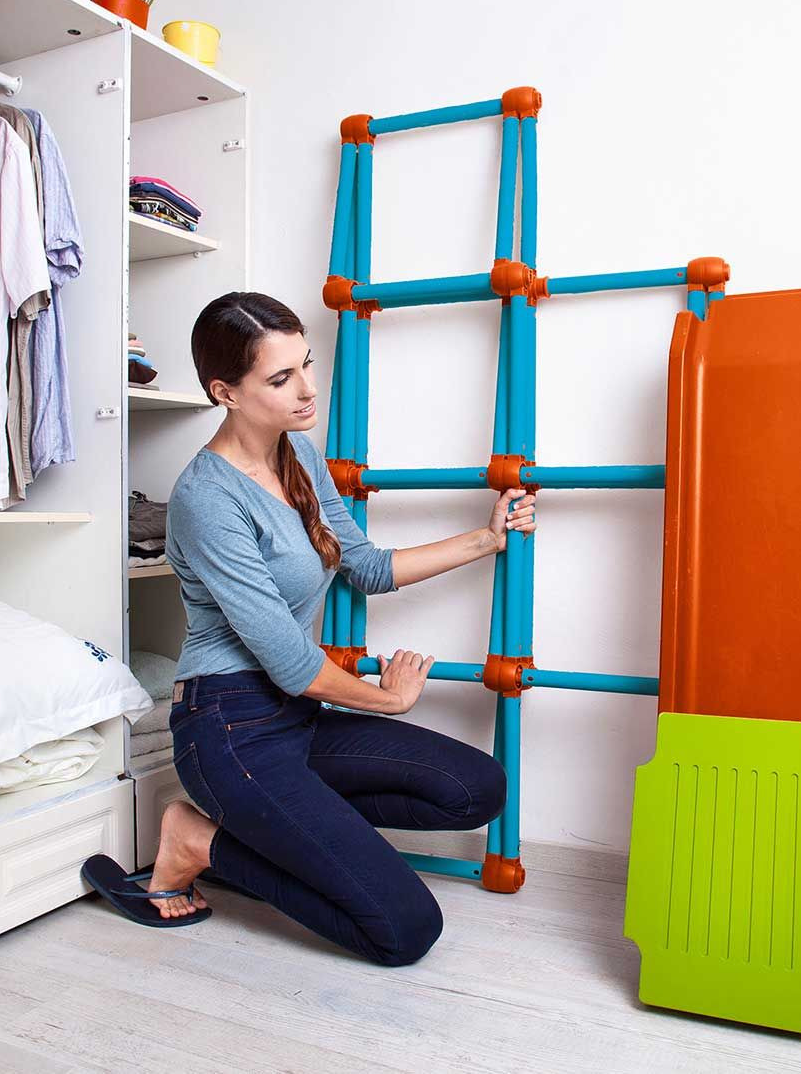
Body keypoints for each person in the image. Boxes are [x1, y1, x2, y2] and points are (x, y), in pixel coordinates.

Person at [145, 291, 535, 966]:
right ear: (225, 392)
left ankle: (291, 825)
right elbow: (291, 662)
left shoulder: (298, 453)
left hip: (296, 718)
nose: (307, 389)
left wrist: (487, 539)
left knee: (478, 788)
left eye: (306, 364)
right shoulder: (206, 498)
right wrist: (388, 699)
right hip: (228, 729)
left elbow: (368, 567)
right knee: (405, 930)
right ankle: (200, 841)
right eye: (280, 378)